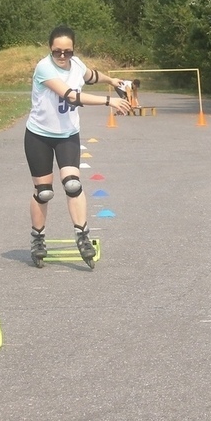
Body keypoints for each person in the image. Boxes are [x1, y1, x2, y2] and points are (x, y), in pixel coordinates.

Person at [24, 25, 132, 268]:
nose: (62, 57)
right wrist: (109, 101)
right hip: (39, 136)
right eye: (57, 52)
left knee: (72, 185)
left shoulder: (76, 65)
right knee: (44, 192)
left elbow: (90, 76)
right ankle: (38, 238)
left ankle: (82, 235)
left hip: (67, 135)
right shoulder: (44, 68)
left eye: (68, 52)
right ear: (50, 49)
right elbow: (71, 96)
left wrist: (111, 79)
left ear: (74, 51)